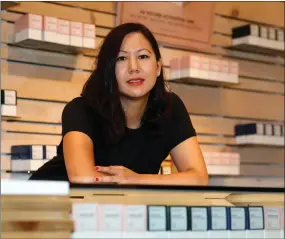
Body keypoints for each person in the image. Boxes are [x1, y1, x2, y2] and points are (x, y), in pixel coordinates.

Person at [30, 22, 208, 186]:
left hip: (113, 209)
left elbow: (199, 178)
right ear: (108, 69)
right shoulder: (81, 109)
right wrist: (135, 182)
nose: (134, 67)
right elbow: (83, 178)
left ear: (158, 67)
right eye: (121, 59)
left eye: (143, 56)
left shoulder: (170, 108)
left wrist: (137, 179)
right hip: (46, 205)